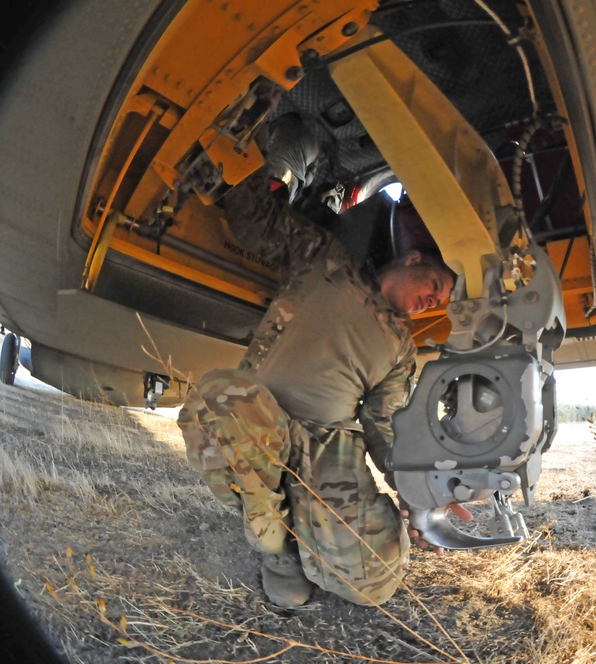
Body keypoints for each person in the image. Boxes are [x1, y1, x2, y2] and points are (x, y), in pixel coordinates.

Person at [178, 116, 461, 609]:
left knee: (374, 583)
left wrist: (418, 493)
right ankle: (276, 552)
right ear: (414, 260)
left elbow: (384, 428)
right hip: (256, 418)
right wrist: (217, 171)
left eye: (437, 303)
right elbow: (260, 225)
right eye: (433, 288)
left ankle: (323, 538)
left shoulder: (401, 348)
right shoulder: (325, 261)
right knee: (221, 396)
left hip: (326, 449)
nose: (429, 303)